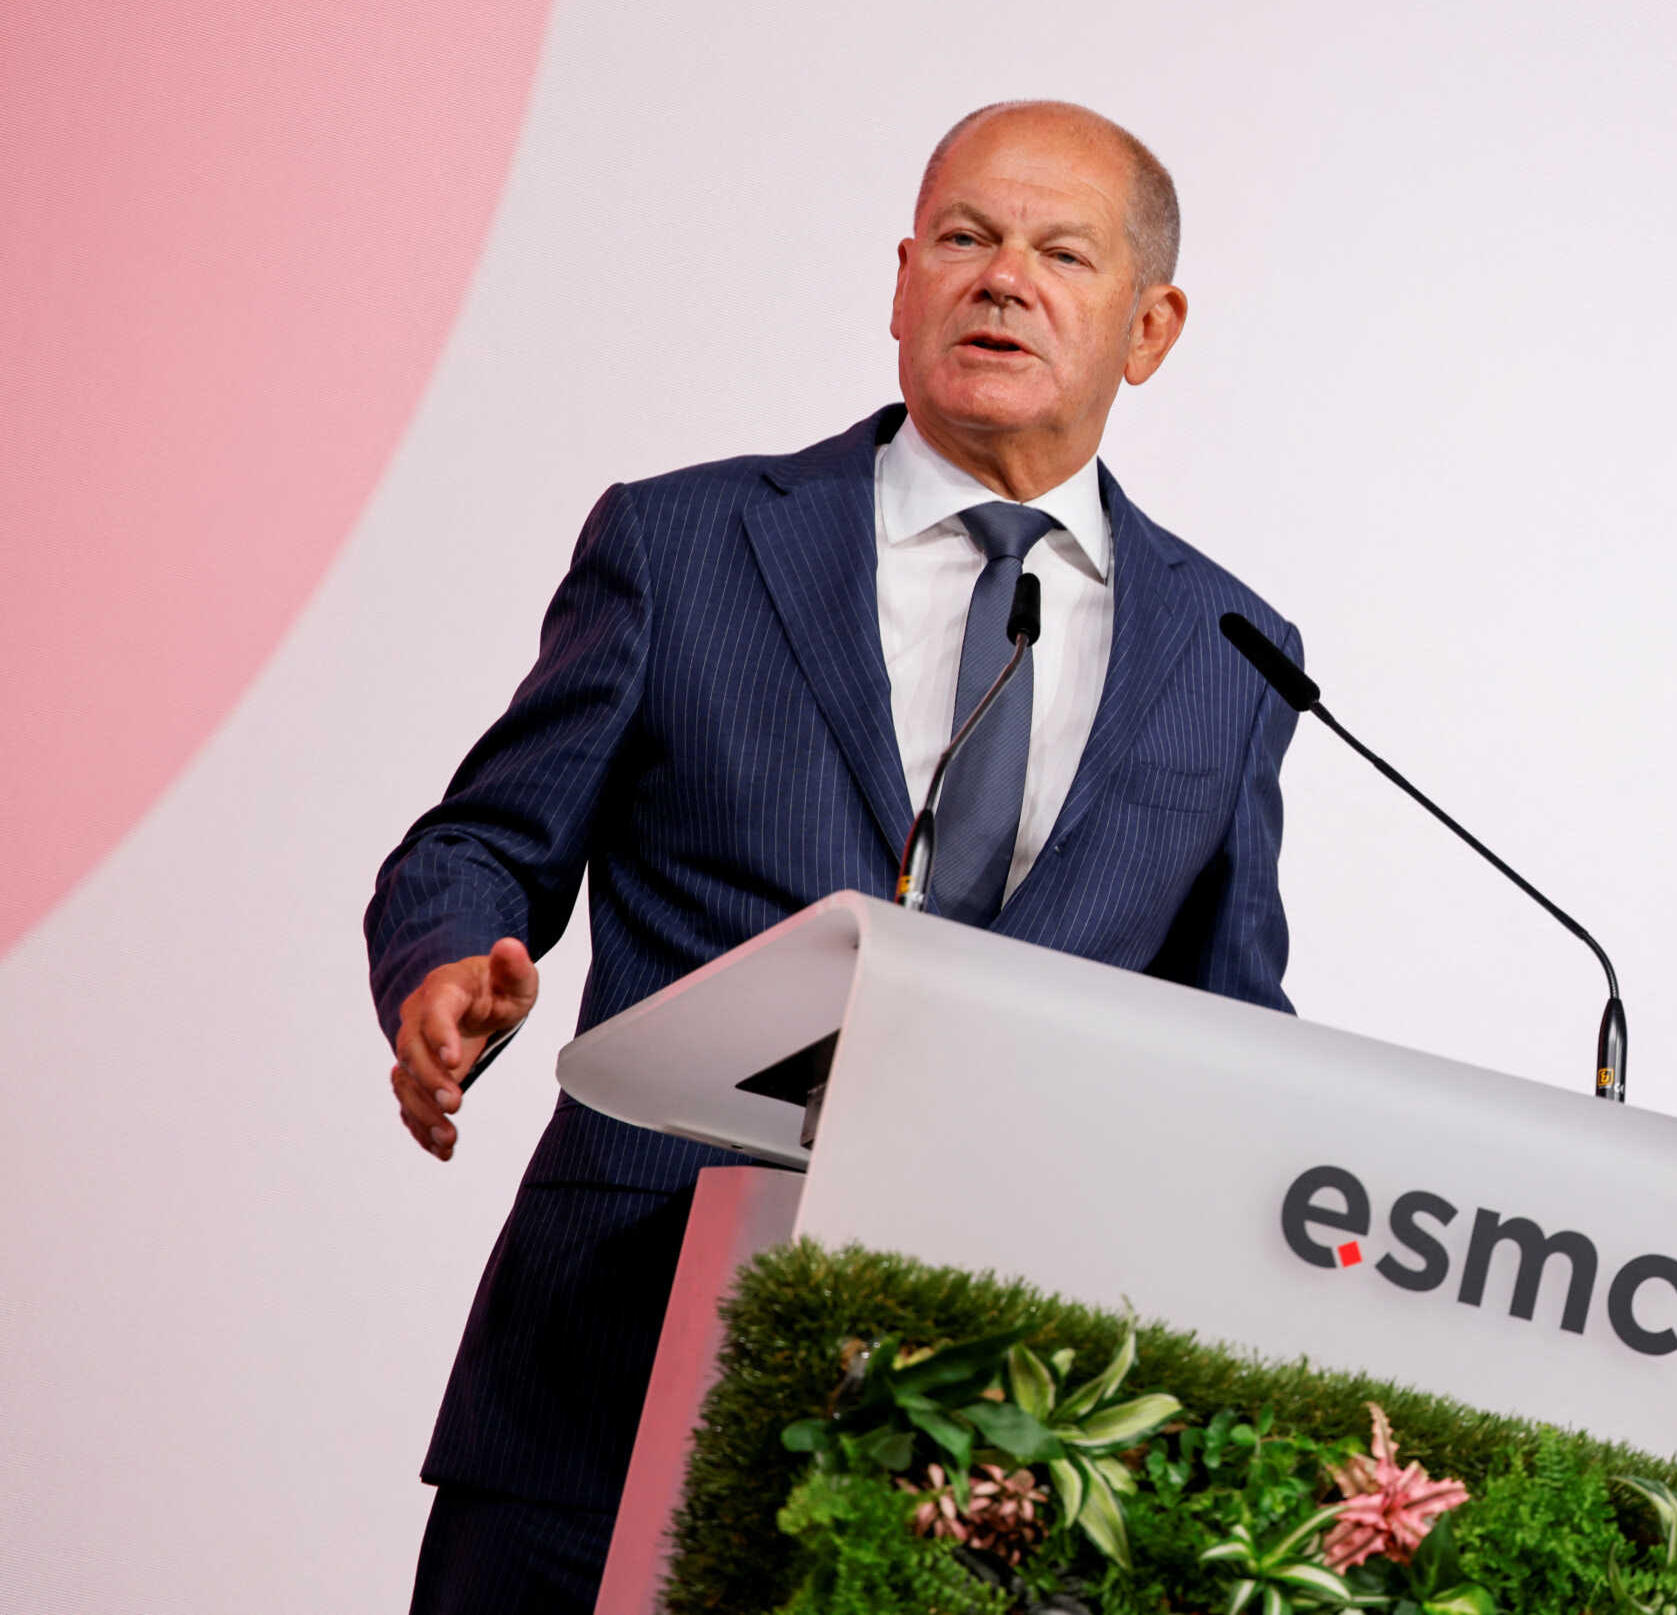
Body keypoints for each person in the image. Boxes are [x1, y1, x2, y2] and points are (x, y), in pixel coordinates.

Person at [365, 100, 1302, 1614]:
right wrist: (445, 968)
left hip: (985, 1439)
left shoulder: (1233, 654)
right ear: (900, 285)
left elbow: (1230, 1026)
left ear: (1151, 325)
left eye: (1061, 251)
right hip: (611, 1372)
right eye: (963, 238)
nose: (1002, 278)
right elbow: (480, 842)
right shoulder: (687, 546)